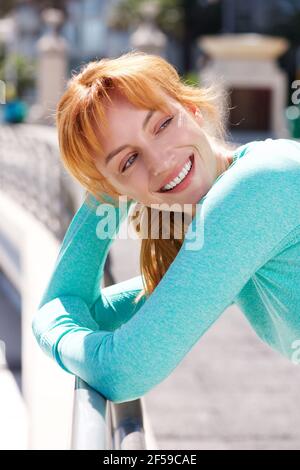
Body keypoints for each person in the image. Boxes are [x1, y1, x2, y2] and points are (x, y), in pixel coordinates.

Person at [32, 51, 300, 404]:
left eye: (161, 125)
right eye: (129, 160)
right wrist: (107, 195)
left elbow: (123, 370)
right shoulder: (227, 222)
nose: (159, 162)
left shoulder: (258, 187)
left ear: (191, 110)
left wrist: (47, 329)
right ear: (115, 189)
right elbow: (85, 311)